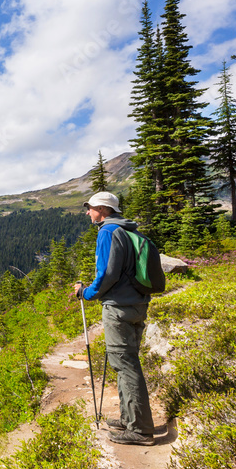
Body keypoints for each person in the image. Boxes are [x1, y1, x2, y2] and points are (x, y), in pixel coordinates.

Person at [72, 191, 156, 446]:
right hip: (137, 304)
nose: (88, 212)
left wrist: (86, 293)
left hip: (118, 307)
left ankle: (140, 430)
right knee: (126, 361)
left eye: (90, 208)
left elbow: (107, 273)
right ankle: (128, 418)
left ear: (103, 209)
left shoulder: (108, 232)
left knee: (125, 365)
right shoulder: (131, 231)